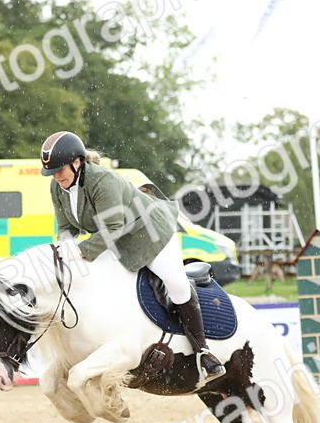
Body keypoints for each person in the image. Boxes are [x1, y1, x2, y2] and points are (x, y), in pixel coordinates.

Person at [39, 130, 226, 382]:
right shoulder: (57, 187)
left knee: (177, 285)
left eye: (60, 170)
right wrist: (64, 245)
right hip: (118, 241)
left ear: (76, 162)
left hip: (151, 233)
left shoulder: (101, 180)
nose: (57, 176)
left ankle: (203, 352)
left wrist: (81, 251)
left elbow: (113, 227)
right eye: (52, 172)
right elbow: (66, 227)